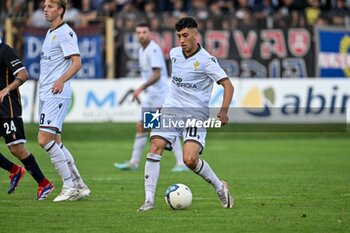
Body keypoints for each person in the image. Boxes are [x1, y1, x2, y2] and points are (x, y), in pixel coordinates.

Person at [137, 17, 235, 211]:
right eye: (179, 36)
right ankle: (148, 201)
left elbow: (228, 85)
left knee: (189, 160)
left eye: (185, 35)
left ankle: (219, 187)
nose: (181, 40)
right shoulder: (174, 54)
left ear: (196, 35)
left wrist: (223, 111)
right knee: (155, 145)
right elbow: (175, 84)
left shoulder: (207, 61)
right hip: (171, 109)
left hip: (195, 114)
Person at [114, 22, 188, 172]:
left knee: (166, 127)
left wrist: (140, 88)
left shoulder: (153, 49)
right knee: (142, 126)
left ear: (149, 34)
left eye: (144, 32)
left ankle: (181, 162)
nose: (141, 35)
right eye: (139, 32)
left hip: (160, 94)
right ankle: (134, 162)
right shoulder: (142, 50)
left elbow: (157, 74)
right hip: (152, 95)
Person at [38, 0, 90, 202]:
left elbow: (77, 63)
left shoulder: (65, 33)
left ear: (60, 10)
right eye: (44, 5)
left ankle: (68, 186)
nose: (45, 8)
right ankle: (79, 185)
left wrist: (60, 80)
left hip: (56, 93)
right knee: (56, 142)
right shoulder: (50, 32)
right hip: (46, 93)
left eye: (50, 6)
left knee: (44, 140)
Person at [0, 37, 54, 200]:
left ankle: (44, 183)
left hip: (8, 108)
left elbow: (23, 74)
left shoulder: (5, 50)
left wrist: (5, 90)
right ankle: (14, 170)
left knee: (17, 149)